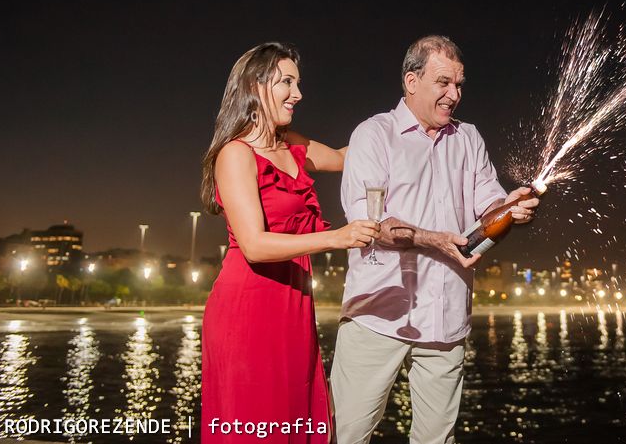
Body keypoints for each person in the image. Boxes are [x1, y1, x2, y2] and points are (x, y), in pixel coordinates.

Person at [331, 35, 540, 444]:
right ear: (411, 81)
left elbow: (488, 202)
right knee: (347, 434)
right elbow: (367, 221)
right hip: (378, 315)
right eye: (443, 82)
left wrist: (510, 208)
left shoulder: (469, 138)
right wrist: (431, 240)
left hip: (446, 321)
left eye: (459, 84)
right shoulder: (374, 135)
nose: (454, 94)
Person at [200, 42, 379, 443]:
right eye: (287, 82)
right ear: (256, 85)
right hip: (248, 310)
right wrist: (338, 237)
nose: (297, 94)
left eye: (297, 83)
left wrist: (403, 122)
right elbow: (254, 245)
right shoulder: (235, 154)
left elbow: (347, 156)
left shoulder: (292, 146)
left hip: (293, 307)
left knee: (295, 419)